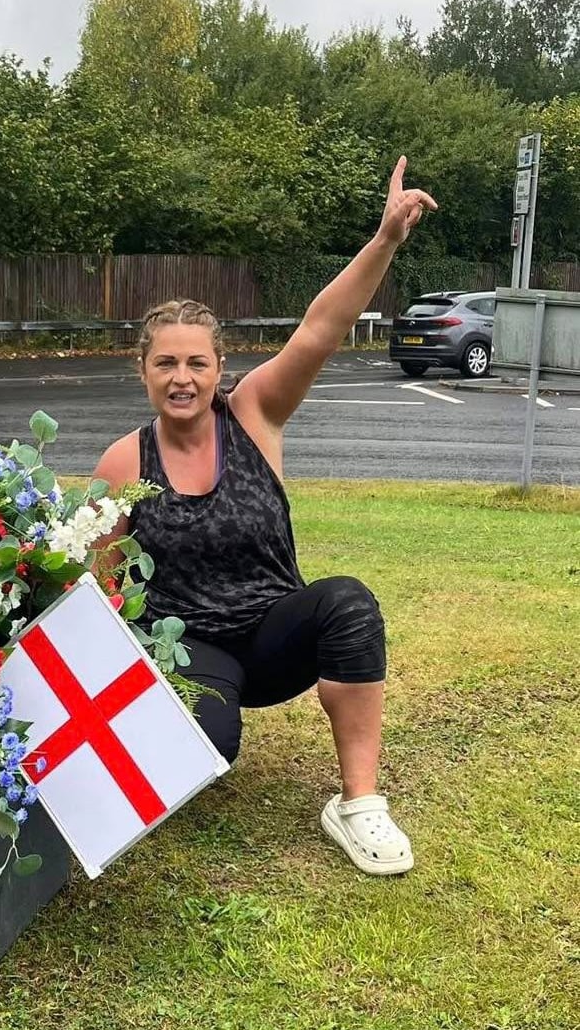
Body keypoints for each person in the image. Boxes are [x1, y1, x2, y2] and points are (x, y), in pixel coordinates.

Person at [93, 157, 438, 877]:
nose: (181, 378)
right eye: (165, 364)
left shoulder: (254, 414)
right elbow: (99, 592)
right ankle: (184, 730)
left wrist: (383, 241)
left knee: (347, 603)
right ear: (143, 371)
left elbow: (319, 329)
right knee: (209, 747)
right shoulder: (121, 464)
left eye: (195, 362)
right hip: (189, 648)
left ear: (220, 367)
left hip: (274, 633)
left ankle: (358, 803)